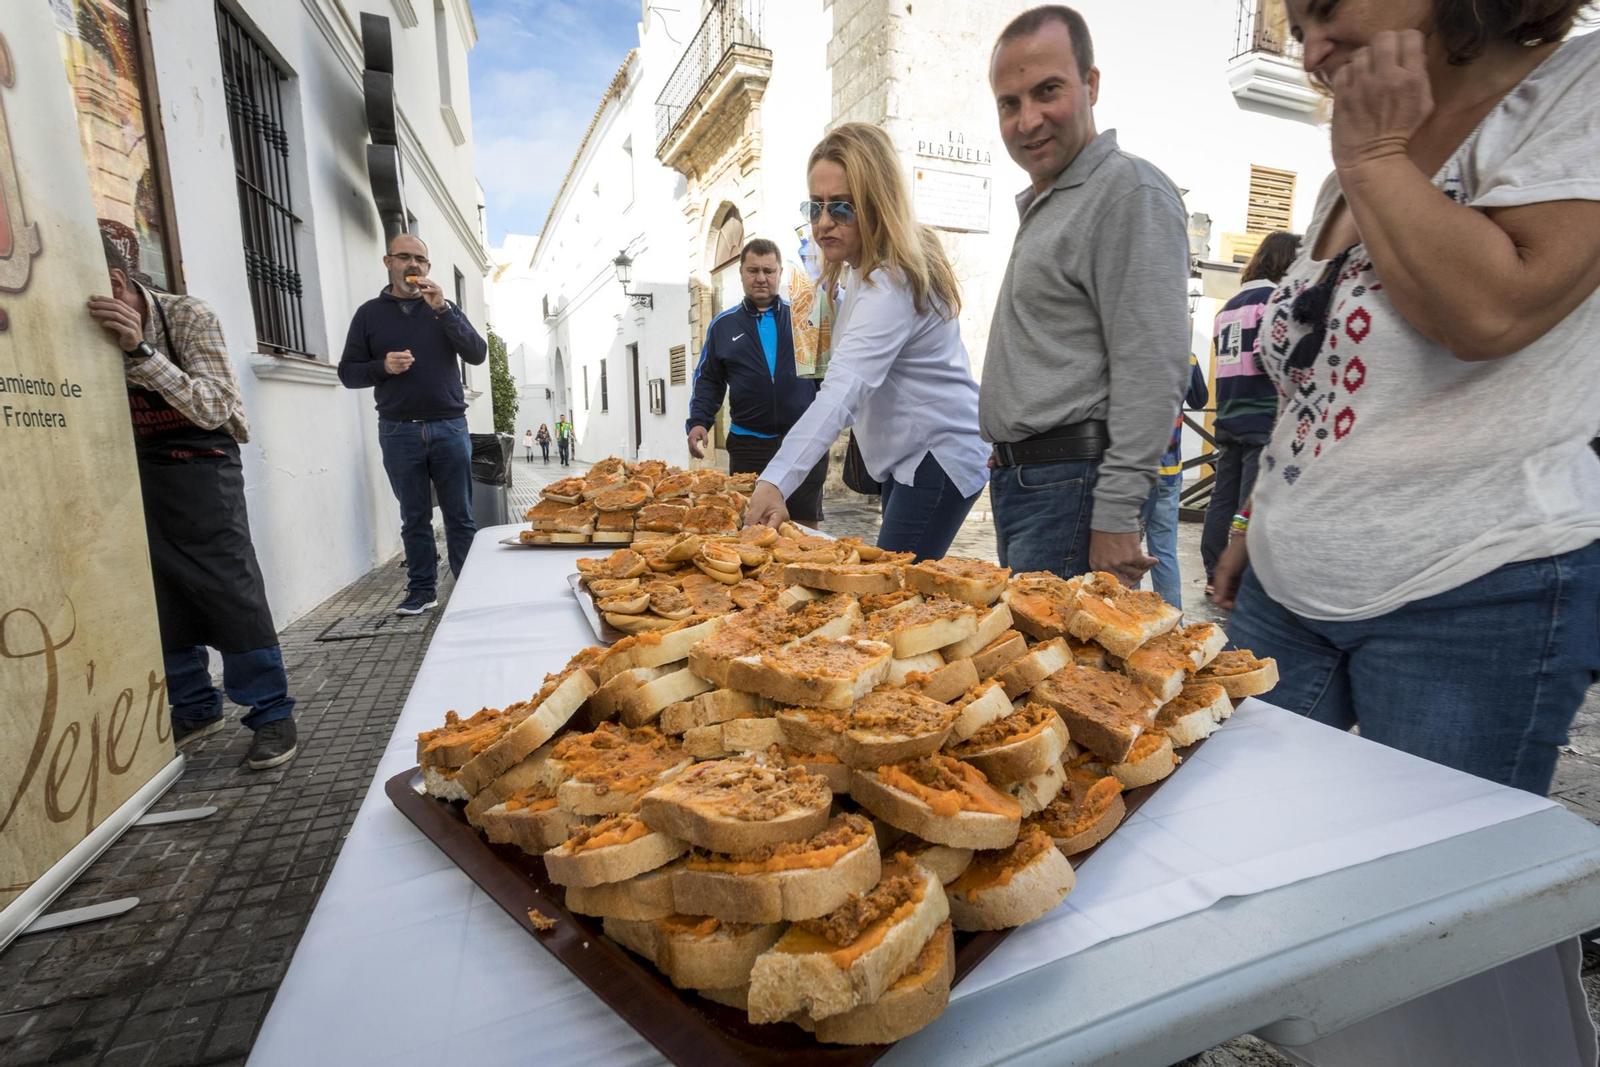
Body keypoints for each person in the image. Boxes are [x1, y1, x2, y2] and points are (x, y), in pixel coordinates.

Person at [1212, 2, 1600, 796]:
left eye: (1324, 7)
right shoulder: (1339, 179)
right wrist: (1258, 516)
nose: (1312, 48)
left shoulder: (1576, 86)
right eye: (1295, 27)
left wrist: (1377, 156)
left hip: (1475, 594)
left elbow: (1489, 312)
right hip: (1286, 585)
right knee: (1227, 823)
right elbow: (1313, 380)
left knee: (1426, 887)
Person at [982, 6, 1192, 586]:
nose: (1028, 120)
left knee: (1060, 672)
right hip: (1036, 484)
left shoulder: (1127, 192)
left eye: (1047, 91)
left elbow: (1153, 366)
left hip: (1073, 486)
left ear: (1091, 84)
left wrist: (1118, 513)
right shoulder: (1060, 198)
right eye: (1009, 103)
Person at [87, 235, 299, 770]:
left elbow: (215, 406)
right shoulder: (78, 326)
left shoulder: (187, 317)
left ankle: (271, 713)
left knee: (229, 588)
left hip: (200, 462)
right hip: (131, 468)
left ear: (114, 284)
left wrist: (141, 353)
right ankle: (194, 707)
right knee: (157, 590)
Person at [745, 123, 989, 560]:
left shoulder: (888, 282)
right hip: (911, 457)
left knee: (886, 594)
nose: (823, 223)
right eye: (816, 206)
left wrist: (775, 480)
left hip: (937, 456)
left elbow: (843, 391)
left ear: (877, 203)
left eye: (841, 208)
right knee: (895, 591)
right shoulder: (864, 270)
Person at [339, 234, 487, 616]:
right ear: (388, 262)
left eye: (419, 258)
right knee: (414, 516)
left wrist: (443, 310)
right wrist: (382, 367)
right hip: (398, 429)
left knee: (460, 515)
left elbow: (476, 353)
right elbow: (348, 373)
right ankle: (422, 590)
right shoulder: (369, 314)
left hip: (449, 427)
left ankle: (471, 587)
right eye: (404, 257)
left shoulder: (443, 308)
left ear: (428, 267)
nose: (413, 265)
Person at [687, 238, 828, 523]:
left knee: (804, 526)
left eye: (768, 270)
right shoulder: (723, 326)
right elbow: (709, 380)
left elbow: (825, 379)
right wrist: (700, 420)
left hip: (801, 442)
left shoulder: (805, 320)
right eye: (753, 271)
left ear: (778, 274)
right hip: (748, 444)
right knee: (752, 525)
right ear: (741, 273)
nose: (761, 278)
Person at [1200, 231, 1300, 589]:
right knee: (1249, 504)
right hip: (1261, 414)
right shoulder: (1272, 300)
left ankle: (1213, 571)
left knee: (1221, 500)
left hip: (1228, 412)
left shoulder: (1228, 307)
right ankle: (1240, 578)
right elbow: (1265, 355)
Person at [1141, 353, 1208, 608]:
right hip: (1169, 471)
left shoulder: (1131, 348)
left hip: (1134, 472)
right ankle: (1174, 625)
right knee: (1165, 552)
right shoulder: (1186, 357)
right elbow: (1200, 400)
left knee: (1127, 555)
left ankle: (1127, 625)